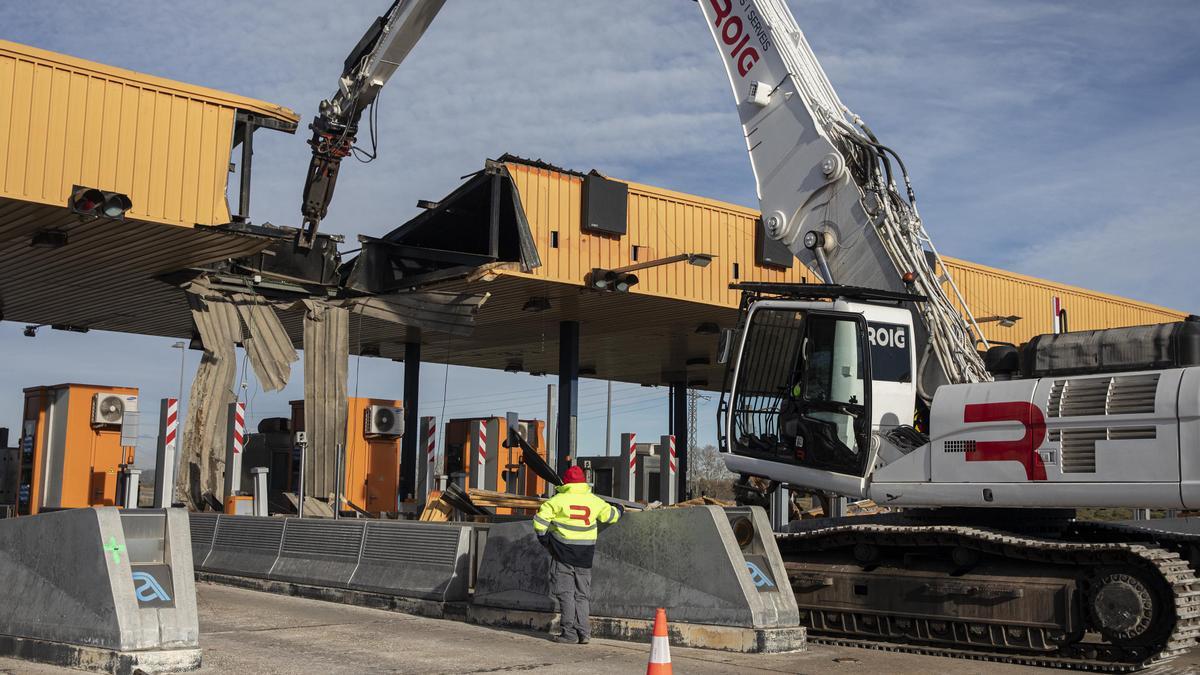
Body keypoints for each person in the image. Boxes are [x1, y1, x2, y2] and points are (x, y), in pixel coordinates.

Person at [533, 465, 621, 644]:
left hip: (562, 556)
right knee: (582, 595)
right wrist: (620, 508)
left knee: (566, 594)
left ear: (565, 482)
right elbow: (611, 516)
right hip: (585, 557)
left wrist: (546, 541)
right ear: (583, 482)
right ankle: (584, 633)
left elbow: (540, 523)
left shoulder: (557, 501)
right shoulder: (594, 501)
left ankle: (569, 634)